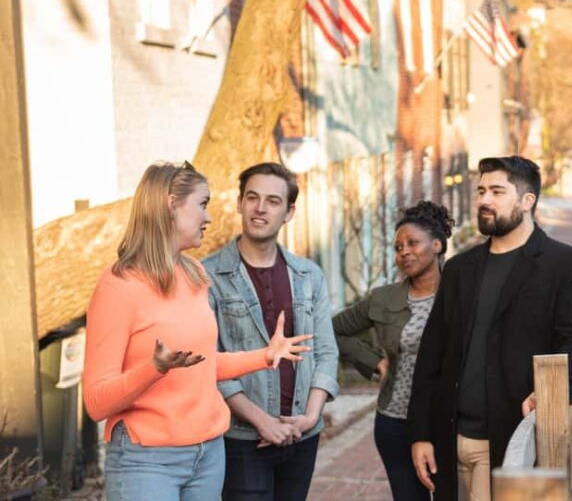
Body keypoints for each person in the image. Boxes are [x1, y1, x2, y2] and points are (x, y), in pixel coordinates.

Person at [83, 161, 312, 501]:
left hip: (207, 454)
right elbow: (96, 402)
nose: (209, 218)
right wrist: (154, 369)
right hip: (146, 461)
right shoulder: (119, 285)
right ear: (170, 205)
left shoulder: (194, 274)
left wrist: (263, 356)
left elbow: (201, 364)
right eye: (202, 204)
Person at [408, 156, 572, 501]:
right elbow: (431, 355)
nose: (484, 200)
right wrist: (420, 434)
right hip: (449, 442)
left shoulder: (566, 265)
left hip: (509, 439)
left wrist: (554, 388)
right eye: (481, 190)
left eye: (497, 191)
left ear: (527, 201)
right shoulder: (458, 269)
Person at [203, 162, 340, 501]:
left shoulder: (309, 275)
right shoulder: (208, 276)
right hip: (242, 439)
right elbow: (210, 363)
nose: (260, 208)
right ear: (239, 203)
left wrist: (308, 417)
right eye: (252, 197)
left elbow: (326, 352)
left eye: (273, 201)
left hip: (301, 435)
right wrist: (262, 421)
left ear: (289, 212)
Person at [332, 201, 454, 500]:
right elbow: (331, 329)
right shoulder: (383, 299)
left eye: (413, 243)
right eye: (398, 247)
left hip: (448, 423)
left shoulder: (461, 294)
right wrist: (373, 361)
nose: (404, 252)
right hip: (395, 422)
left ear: (437, 245)